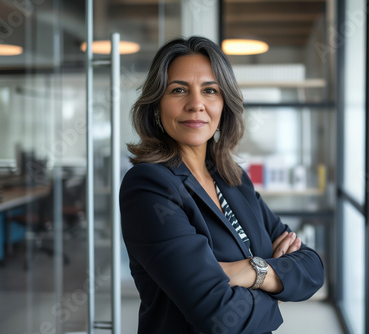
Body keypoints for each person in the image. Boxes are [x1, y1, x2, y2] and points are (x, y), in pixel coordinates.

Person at [120, 36, 324, 334]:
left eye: (210, 91)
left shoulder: (233, 178)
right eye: (179, 90)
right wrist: (276, 292)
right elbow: (219, 316)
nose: (196, 105)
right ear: (157, 104)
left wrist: (252, 272)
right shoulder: (148, 186)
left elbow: (312, 268)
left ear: (224, 103)